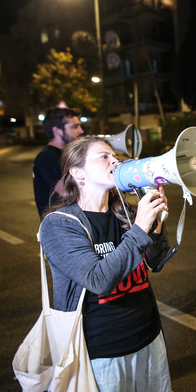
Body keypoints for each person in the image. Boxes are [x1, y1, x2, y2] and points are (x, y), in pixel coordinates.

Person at [38, 137, 172, 391]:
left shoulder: (125, 213)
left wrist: (157, 221)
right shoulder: (60, 225)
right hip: (101, 351)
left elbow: (156, 261)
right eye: (104, 156)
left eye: (115, 155)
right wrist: (141, 228)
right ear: (77, 172)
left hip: (149, 336)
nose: (115, 160)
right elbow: (99, 280)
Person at [33, 107, 84, 217]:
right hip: (60, 225)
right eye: (75, 127)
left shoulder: (59, 155)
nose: (81, 131)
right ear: (57, 131)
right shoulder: (47, 157)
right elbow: (69, 192)